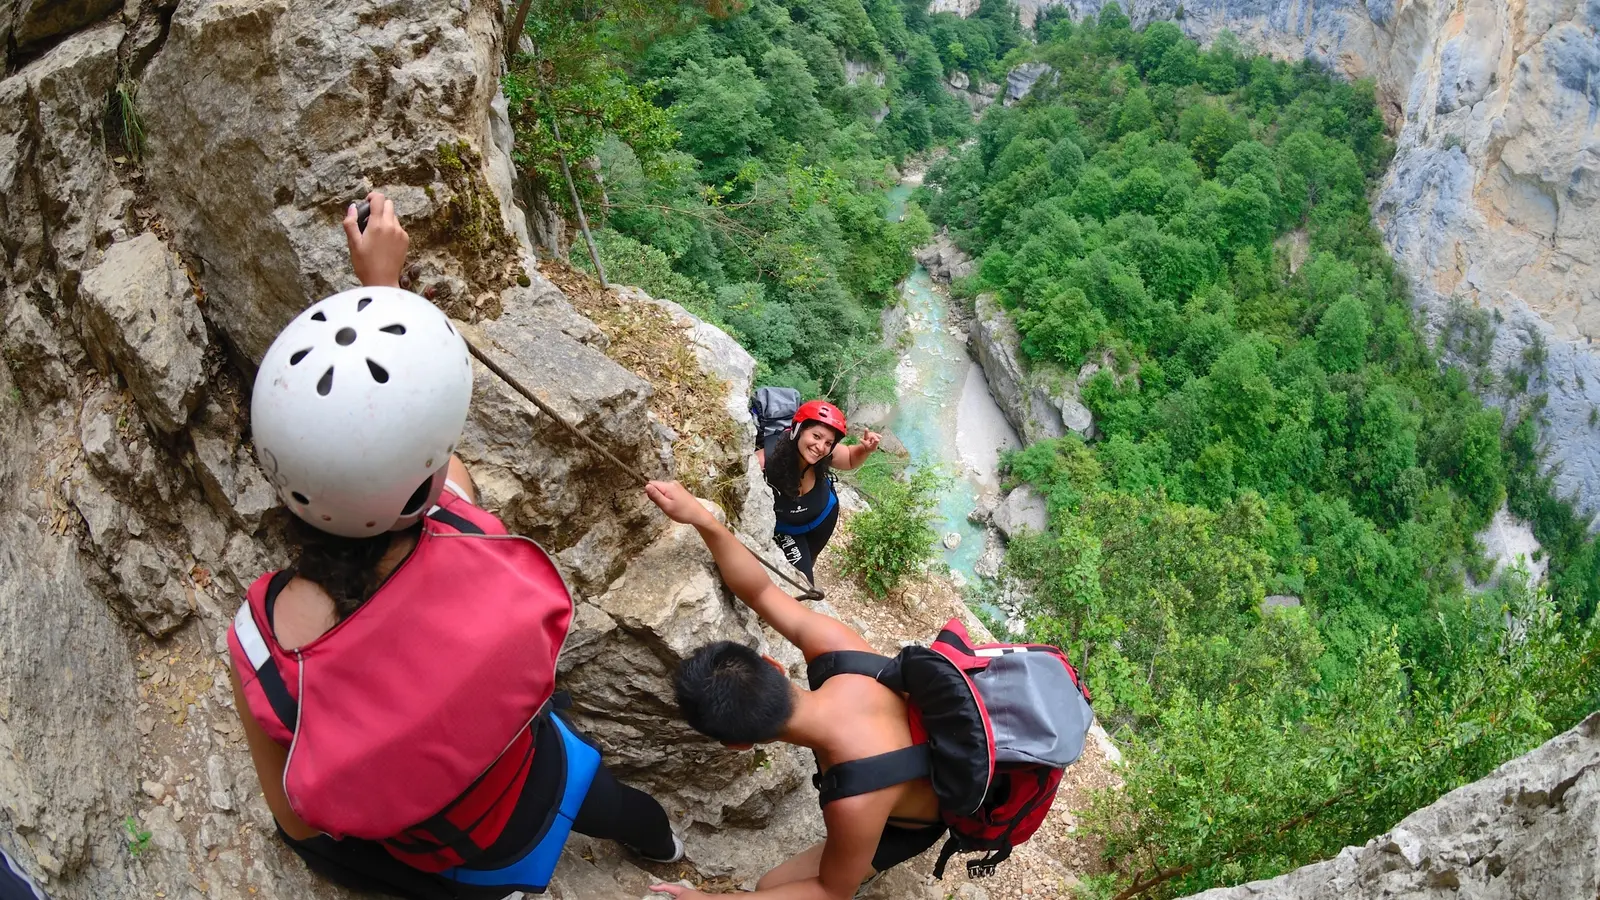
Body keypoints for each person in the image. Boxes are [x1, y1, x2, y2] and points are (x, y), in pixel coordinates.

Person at [227, 192, 681, 900]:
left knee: (294, 839)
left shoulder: (266, 648)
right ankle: (664, 849)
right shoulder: (469, 523)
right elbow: (423, 459)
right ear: (431, 476)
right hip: (535, 766)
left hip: (456, 854)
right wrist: (383, 293)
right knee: (630, 810)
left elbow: (301, 817)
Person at [642, 480, 944, 900]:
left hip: (912, 821)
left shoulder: (855, 799)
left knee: (770, 887)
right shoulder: (842, 653)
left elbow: (830, 892)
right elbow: (762, 592)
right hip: (915, 758)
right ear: (773, 665)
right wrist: (703, 519)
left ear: (738, 745)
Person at [756, 401, 880, 583]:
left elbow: (851, 459)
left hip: (823, 517)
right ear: (798, 430)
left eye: (828, 442)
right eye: (816, 436)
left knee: (810, 560)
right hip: (788, 530)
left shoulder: (827, 452)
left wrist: (865, 449)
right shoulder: (765, 461)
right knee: (804, 583)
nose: (821, 447)